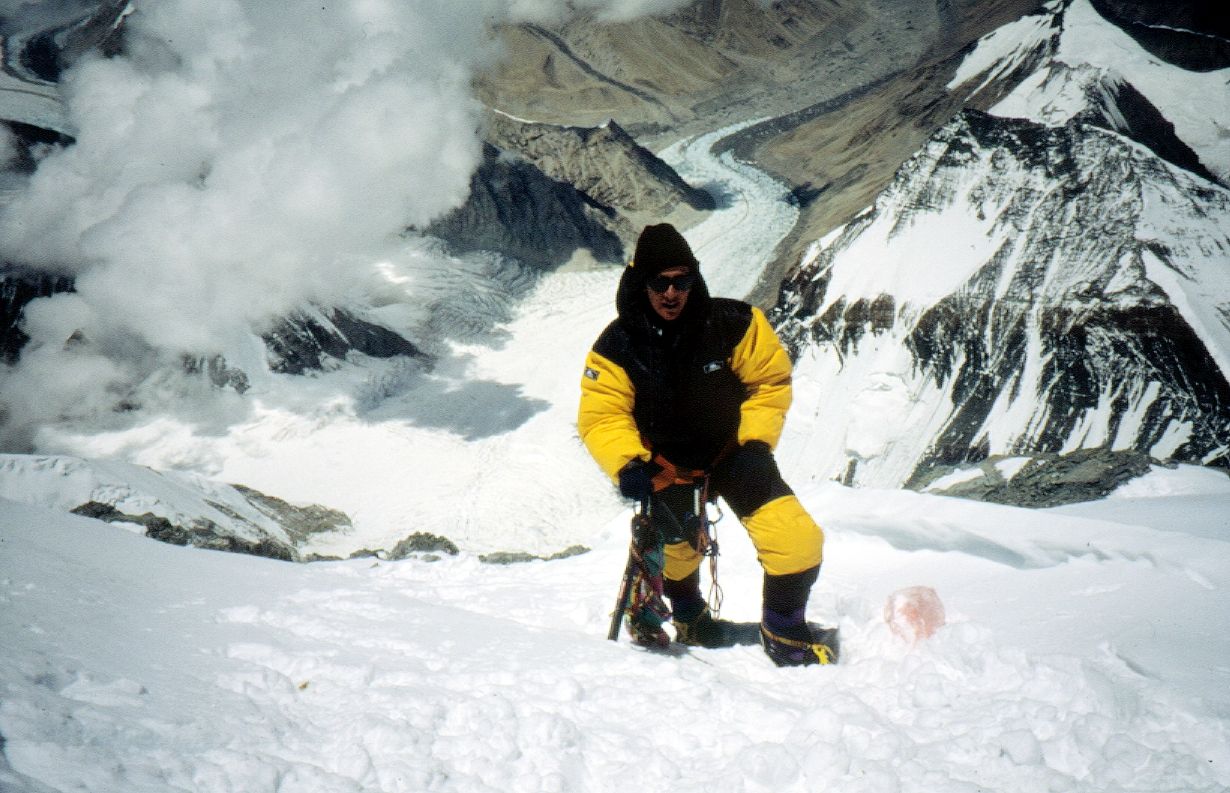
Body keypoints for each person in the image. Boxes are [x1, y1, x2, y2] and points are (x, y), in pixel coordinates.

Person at [577, 223, 832, 666]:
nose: (672, 294)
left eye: (682, 281)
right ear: (642, 282)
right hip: (667, 467)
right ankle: (692, 620)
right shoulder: (617, 347)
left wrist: (755, 441)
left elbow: (768, 383)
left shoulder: (733, 324)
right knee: (677, 556)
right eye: (661, 283)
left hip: (734, 455)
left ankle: (785, 635)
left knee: (797, 539)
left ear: (694, 279)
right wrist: (629, 465)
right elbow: (604, 416)